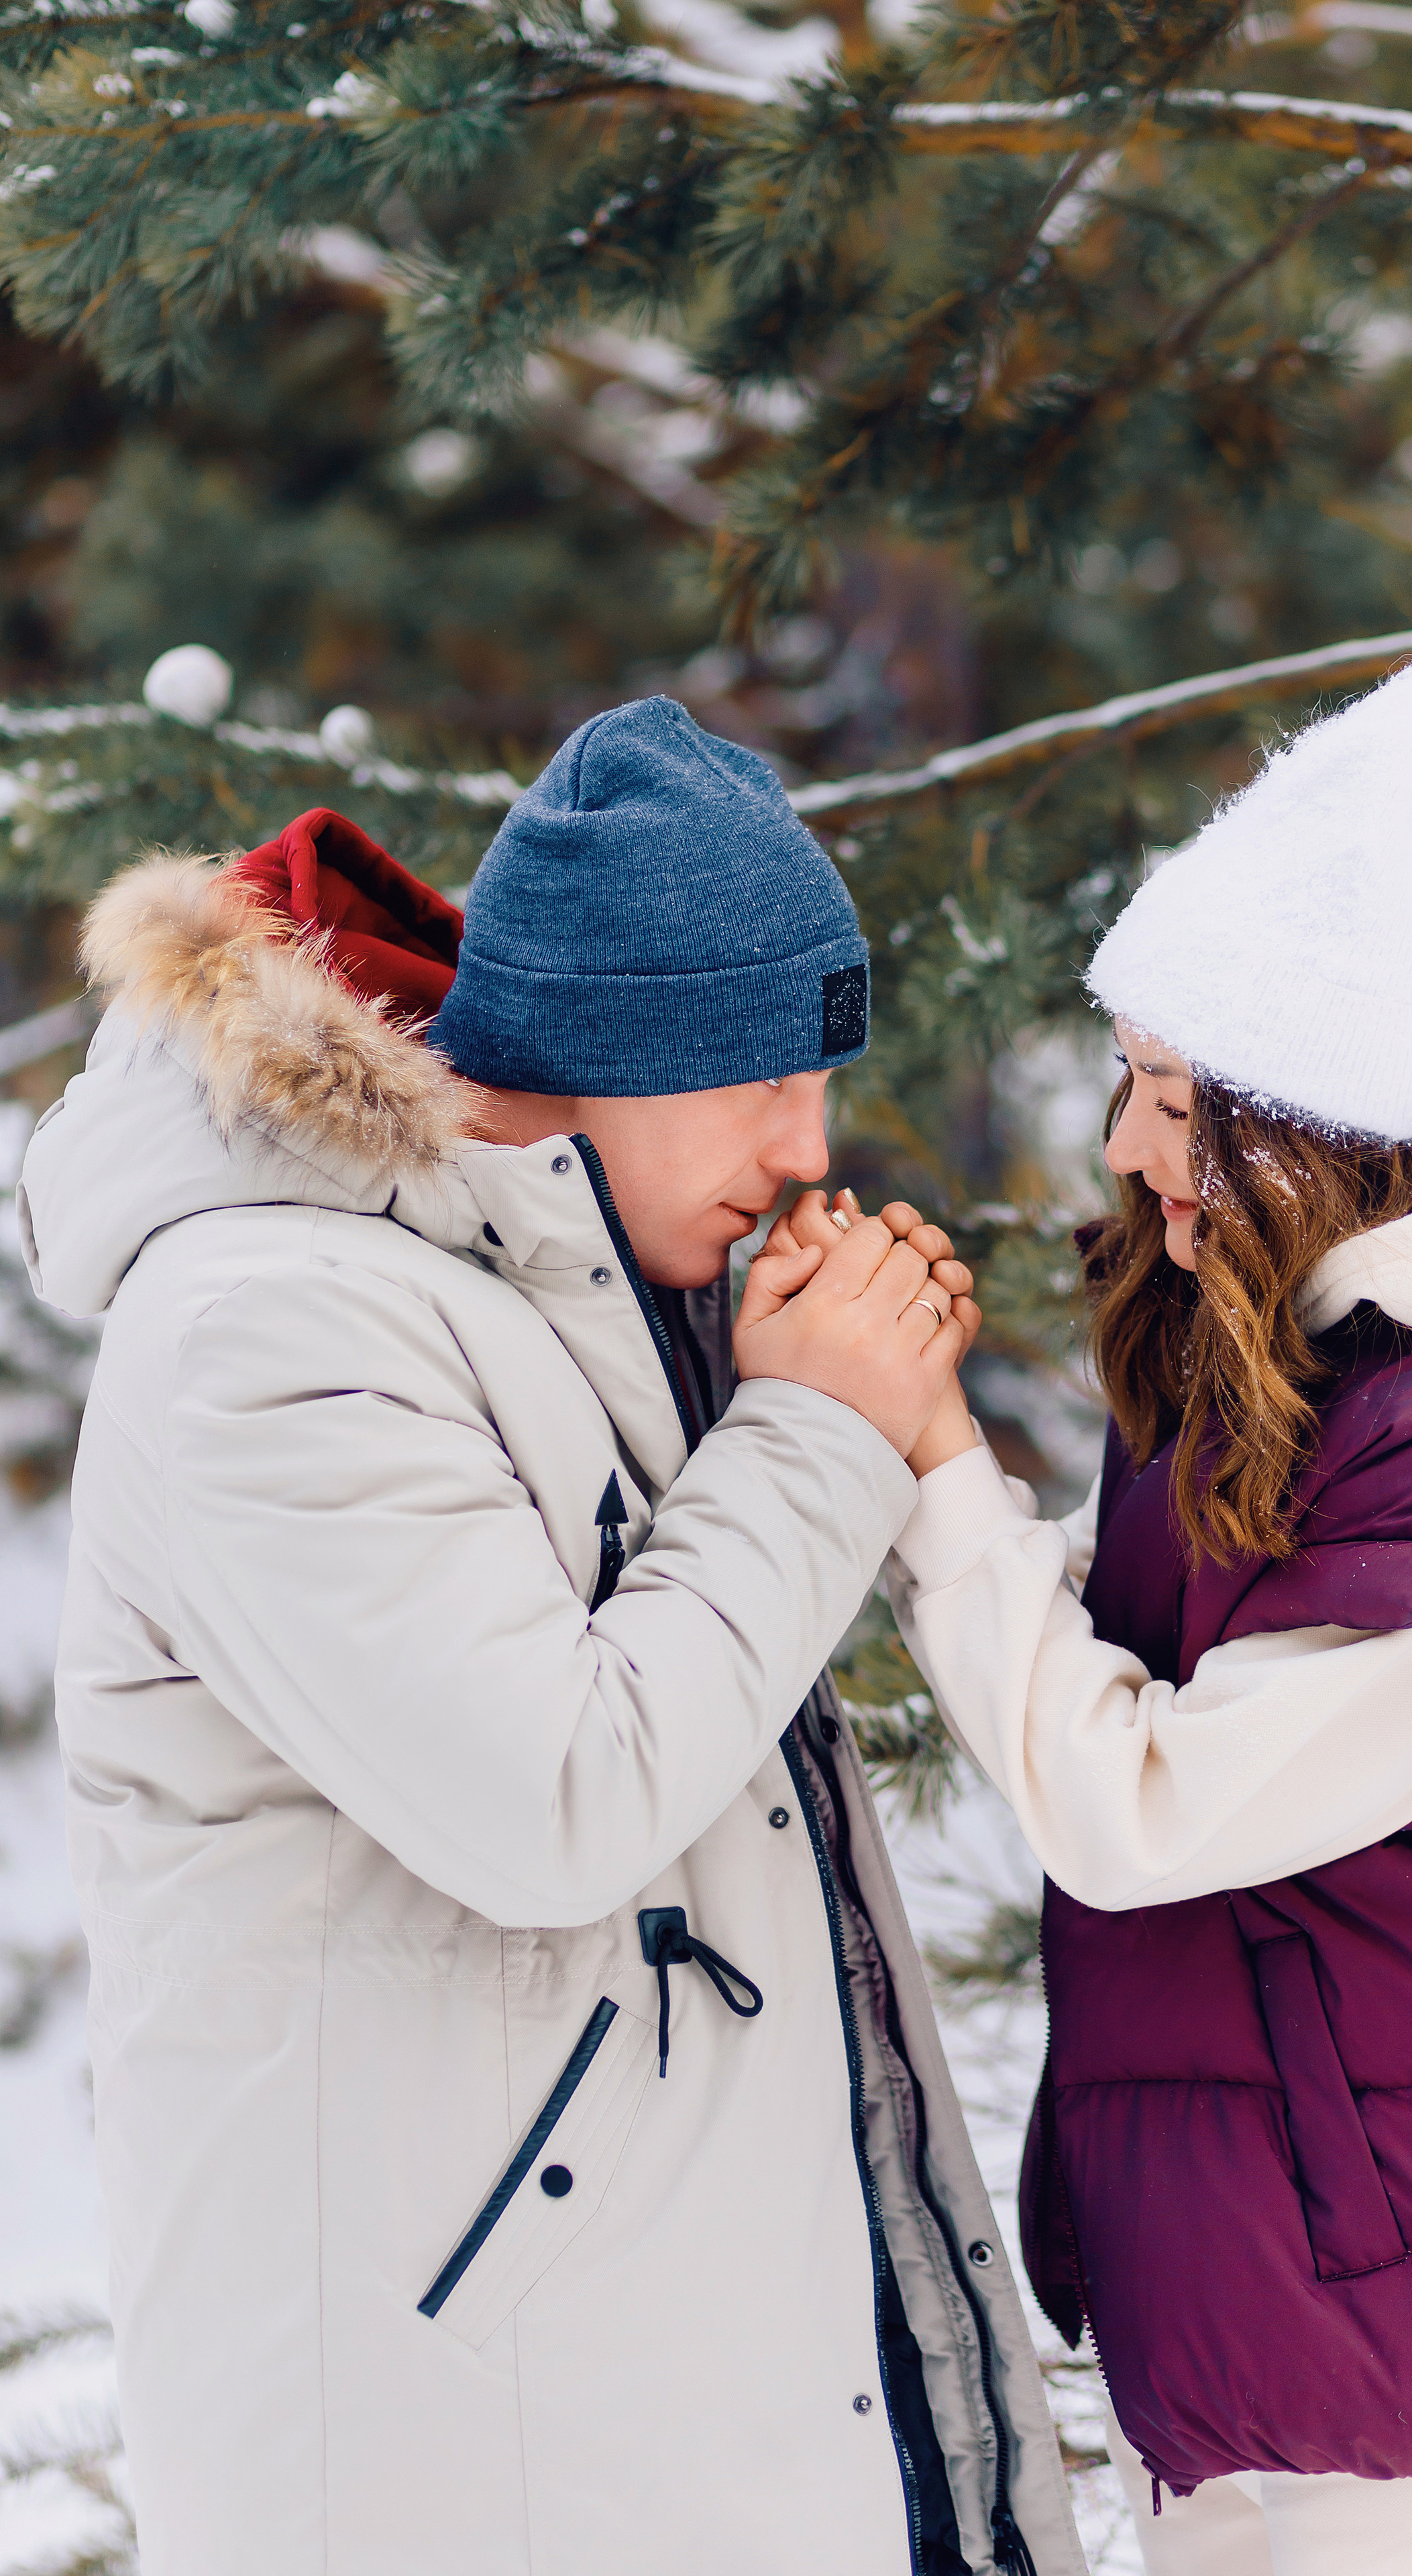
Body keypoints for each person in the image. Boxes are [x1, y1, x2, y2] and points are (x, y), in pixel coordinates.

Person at [19, 697, 1085, 2576]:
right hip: (450, 2465)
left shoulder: (553, 1290)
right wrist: (817, 1426)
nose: (804, 1149)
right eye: (757, 1078)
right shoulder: (270, 1327)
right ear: (607, 1049)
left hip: (632, 2414)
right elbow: (552, 1796)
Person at [783, 649, 1412, 2573]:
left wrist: (939, 1468)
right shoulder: (1339, 1352)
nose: (1126, 1148)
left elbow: (1152, 1808)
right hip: (1318, 2301)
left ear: (1318, 1121)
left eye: (1166, 1097)